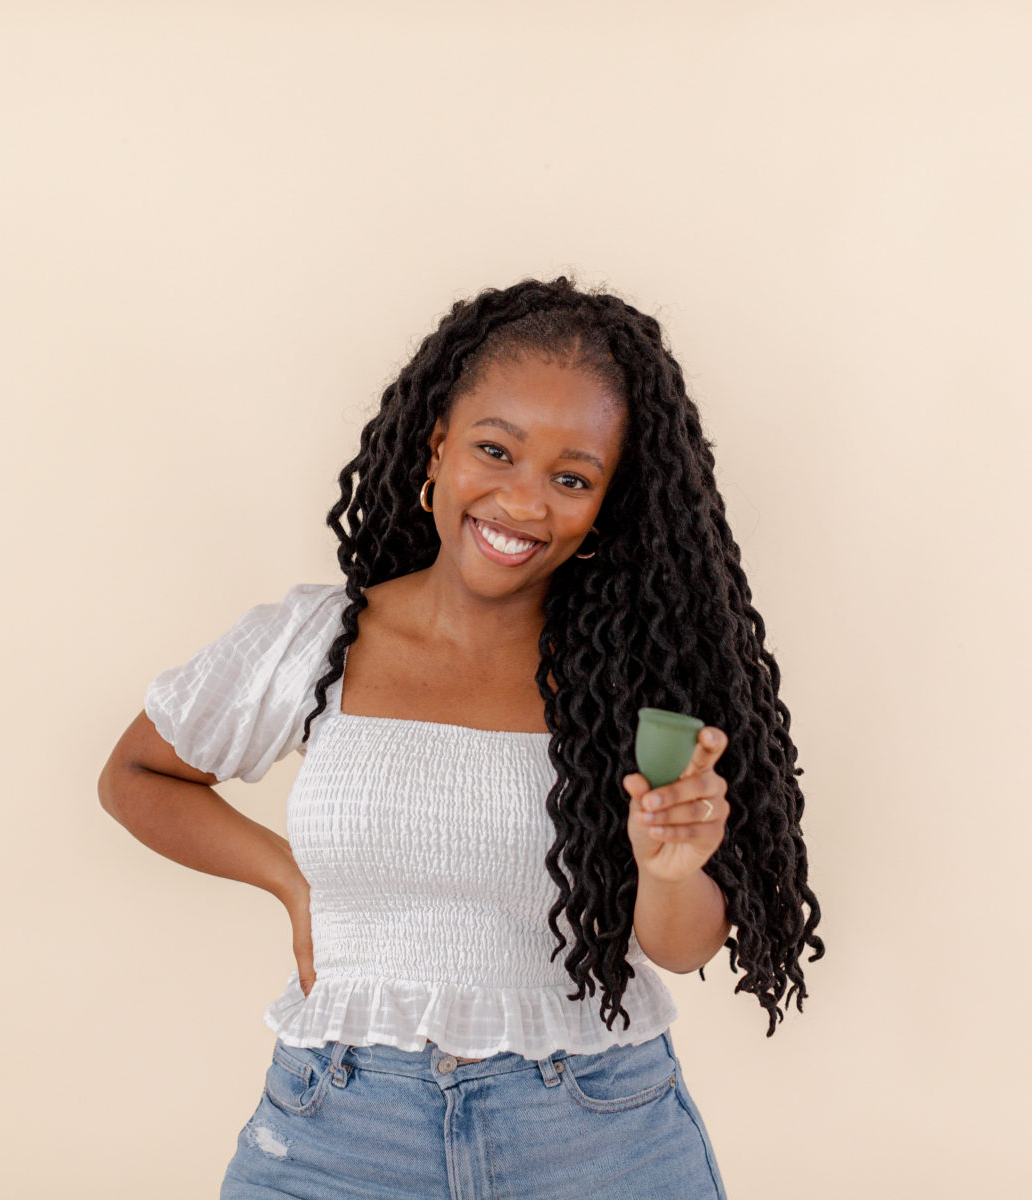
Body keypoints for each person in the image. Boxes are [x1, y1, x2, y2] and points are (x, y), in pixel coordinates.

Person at [99, 275, 825, 1199]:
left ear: (608, 505)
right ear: (437, 446)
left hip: (592, 1137)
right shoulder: (318, 640)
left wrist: (670, 867)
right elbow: (135, 774)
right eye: (497, 450)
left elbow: (679, 949)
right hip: (339, 1133)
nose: (524, 503)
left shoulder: (631, 684)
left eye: (571, 478)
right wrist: (289, 879)